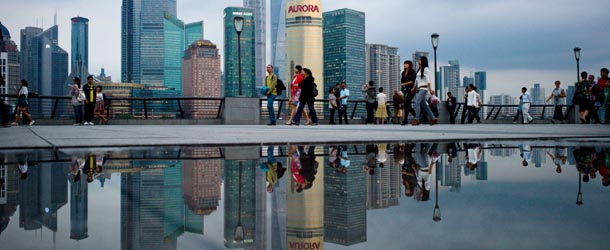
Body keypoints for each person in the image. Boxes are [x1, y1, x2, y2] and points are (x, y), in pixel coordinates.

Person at [412, 56, 437, 126]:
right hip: (419, 89)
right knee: (424, 105)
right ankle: (433, 118)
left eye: (420, 60)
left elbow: (428, 80)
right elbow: (416, 80)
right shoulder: (419, 69)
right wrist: (414, 88)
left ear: (423, 61)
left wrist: (430, 89)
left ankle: (417, 119)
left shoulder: (426, 69)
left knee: (416, 103)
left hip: (424, 89)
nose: (418, 61)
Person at [401, 60, 417, 125]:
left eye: (406, 64)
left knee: (407, 103)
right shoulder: (403, 72)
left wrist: (405, 83)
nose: (405, 65)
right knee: (406, 105)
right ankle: (416, 116)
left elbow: (413, 81)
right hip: (405, 90)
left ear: (409, 65)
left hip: (411, 90)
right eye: (404, 64)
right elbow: (402, 81)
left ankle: (405, 120)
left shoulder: (412, 72)